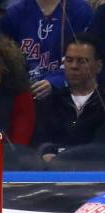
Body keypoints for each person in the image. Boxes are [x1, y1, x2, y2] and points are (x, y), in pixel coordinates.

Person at [31, 33, 104, 161]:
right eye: (69, 60)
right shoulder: (50, 102)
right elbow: (40, 145)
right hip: (53, 175)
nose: (74, 66)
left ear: (98, 66)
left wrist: (65, 156)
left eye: (82, 61)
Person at [2, 0, 93, 100]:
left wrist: (56, 81)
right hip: (24, 92)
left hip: (67, 94)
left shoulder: (79, 11)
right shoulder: (14, 13)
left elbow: (87, 60)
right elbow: (6, 62)